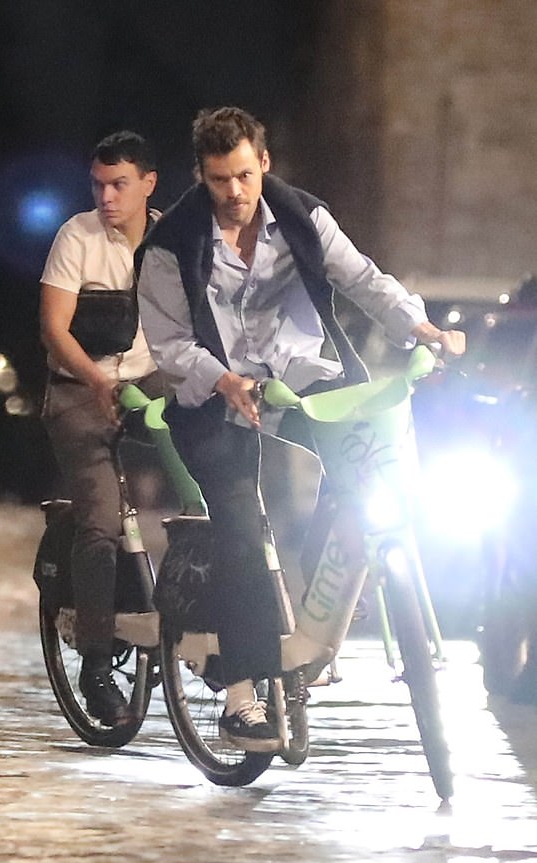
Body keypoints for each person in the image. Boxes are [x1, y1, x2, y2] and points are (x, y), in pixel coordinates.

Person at [135, 106, 466, 752]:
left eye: (242, 174)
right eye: (217, 179)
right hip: (216, 395)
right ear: (200, 177)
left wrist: (420, 328)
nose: (234, 192)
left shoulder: (302, 218)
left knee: (364, 462)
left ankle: (320, 599)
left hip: (299, 374)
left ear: (264, 162)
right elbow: (170, 346)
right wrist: (225, 379)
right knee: (239, 522)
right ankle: (243, 698)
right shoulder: (171, 246)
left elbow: (362, 278)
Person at [40, 130, 162, 727]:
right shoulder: (77, 237)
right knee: (100, 521)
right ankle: (94, 665)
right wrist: (94, 380)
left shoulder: (170, 242)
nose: (107, 197)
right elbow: (55, 328)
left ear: (148, 184)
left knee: (222, 484)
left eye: (119, 184)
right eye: (98, 185)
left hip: (150, 390)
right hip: (79, 393)